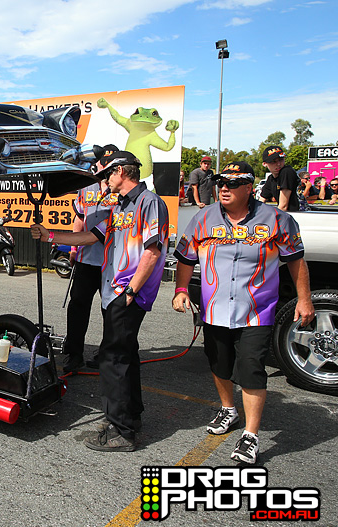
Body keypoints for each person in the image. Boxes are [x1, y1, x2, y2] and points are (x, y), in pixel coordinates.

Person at [172, 161, 315, 464]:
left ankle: (250, 435)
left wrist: (304, 300)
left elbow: (296, 261)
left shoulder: (278, 219)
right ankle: (228, 409)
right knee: (219, 363)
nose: (224, 188)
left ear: (250, 187)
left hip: (256, 311)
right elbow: (185, 258)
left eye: (233, 183)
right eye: (221, 182)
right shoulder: (202, 218)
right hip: (214, 310)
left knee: (251, 368)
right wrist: (181, 289)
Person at [31, 151, 169, 452]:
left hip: (128, 293)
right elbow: (90, 237)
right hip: (115, 292)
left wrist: (131, 291)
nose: (104, 180)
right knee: (125, 355)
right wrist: (50, 236)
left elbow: (153, 251)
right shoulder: (120, 205)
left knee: (113, 359)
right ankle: (129, 416)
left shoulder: (149, 202)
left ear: (122, 172)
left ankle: (122, 432)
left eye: (108, 174)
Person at [57, 145, 120, 373]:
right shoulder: (87, 187)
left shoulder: (121, 189)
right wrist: (74, 249)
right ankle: (74, 354)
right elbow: (79, 218)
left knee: (110, 310)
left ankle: (107, 354)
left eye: (109, 164)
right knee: (78, 306)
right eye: (102, 162)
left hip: (112, 262)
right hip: (86, 260)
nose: (104, 167)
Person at [261, 145, 299, 211]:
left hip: (302, 214)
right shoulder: (271, 179)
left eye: (281, 160)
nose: (278, 164)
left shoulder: (287, 172)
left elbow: (283, 206)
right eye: (274, 161)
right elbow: (261, 201)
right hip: (292, 214)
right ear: (264, 164)